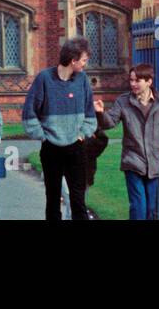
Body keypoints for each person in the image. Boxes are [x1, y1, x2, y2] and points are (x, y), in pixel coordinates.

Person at [22, 36, 97, 220]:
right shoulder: (44, 79)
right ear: (73, 60)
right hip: (51, 149)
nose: (85, 64)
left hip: (76, 149)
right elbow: (29, 113)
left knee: (79, 201)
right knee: (53, 200)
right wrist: (42, 136)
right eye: (84, 60)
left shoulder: (82, 80)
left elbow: (90, 114)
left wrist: (83, 133)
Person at [94, 62, 159, 220]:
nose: (133, 84)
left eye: (137, 80)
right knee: (138, 205)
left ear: (149, 81)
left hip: (154, 164)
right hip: (132, 162)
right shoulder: (123, 101)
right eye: (131, 80)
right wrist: (100, 113)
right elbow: (109, 122)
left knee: (150, 209)